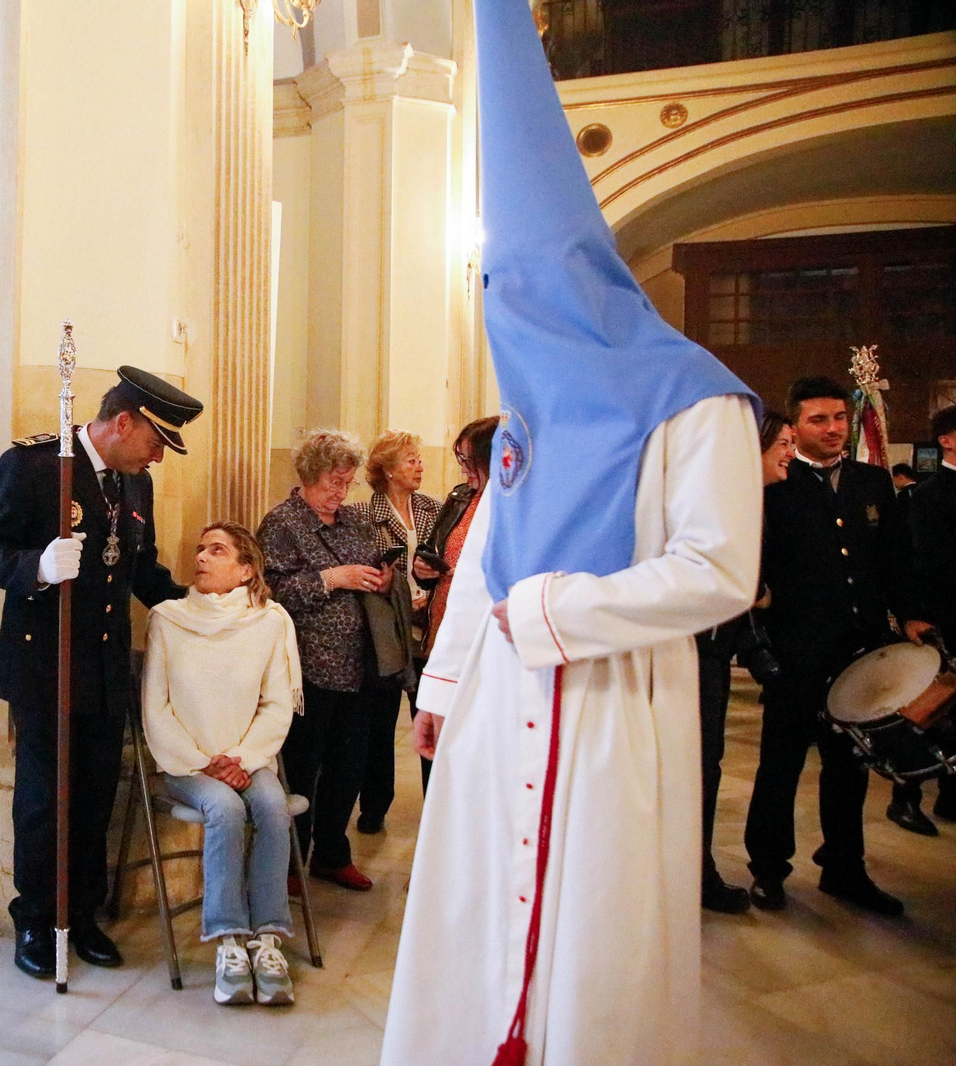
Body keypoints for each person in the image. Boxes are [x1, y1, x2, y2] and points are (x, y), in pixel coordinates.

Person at [383, 2, 762, 1061]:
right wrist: (445, 686)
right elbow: (482, 568)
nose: (505, 311)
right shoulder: (523, 420)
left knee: (591, 923)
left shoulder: (698, 400)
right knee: (472, 913)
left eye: (520, 287)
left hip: (614, 693)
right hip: (502, 689)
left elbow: (721, 569)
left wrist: (559, 611)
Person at [0, 367, 203, 979]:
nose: (158, 456)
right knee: (45, 802)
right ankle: (38, 919)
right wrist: (38, 566)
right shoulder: (34, 465)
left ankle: (85, 914)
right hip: (44, 664)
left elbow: (140, 570)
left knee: (97, 796)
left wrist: (197, 609)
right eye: (156, 442)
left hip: (103, 666)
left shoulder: (135, 485)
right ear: (123, 422)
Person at [743, 376, 930, 915]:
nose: (832, 430)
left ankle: (845, 869)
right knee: (780, 764)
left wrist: (913, 615)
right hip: (796, 654)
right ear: (794, 426)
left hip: (861, 652)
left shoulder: (873, 484)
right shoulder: (772, 483)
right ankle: (769, 869)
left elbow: (897, 558)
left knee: (849, 766)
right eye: (818, 420)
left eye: (839, 419)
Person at [143, 522, 301, 1006]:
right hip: (188, 766)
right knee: (226, 810)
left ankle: (267, 941)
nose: (202, 558)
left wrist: (245, 758)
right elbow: (156, 706)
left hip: (248, 760)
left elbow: (277, 704)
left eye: (217, 550)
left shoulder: (271, 622)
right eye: (199, 550)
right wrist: (201, 762)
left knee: (273, 809)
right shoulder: (168, 618)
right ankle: (230, 943)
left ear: (246, 568)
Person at [257, 429, 393, 893]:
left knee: (348, 765)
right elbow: (270, 592)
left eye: (347, 483)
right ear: (308, 476)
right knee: (302, 766)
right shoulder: (282, 523)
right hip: (309, 668)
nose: (340, 492)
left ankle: (332, 854)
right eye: (332, 482)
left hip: (360, 666)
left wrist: (383, 575)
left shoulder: (354, 521)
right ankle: (291, 860)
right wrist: (333, 577)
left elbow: (372, 566)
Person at [695, 409, 793, 914]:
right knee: (696, 767)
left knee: (706, 766)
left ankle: (697, 869)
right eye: (782, 443)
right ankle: (696, 875)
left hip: (715, 649)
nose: (789, 454)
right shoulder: (724, 502)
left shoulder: (758, 501)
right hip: (696, 650)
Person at [353, 431, 441, 833]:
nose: (419, 466)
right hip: (388, 629)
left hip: (427, 628)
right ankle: (374, 809)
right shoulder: (365, 515)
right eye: (410, 460)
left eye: (419, 459)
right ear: (388, 470)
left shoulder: (433, 509)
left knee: (429, 715)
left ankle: (436, 807)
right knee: (379, 723)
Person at [411, 416, 497, 792]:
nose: (463, 469)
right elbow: (434, 548)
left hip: (487, 635)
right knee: (436, 733)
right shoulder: (459, 497)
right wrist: (423, 569)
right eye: (459, 460)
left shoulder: (516, 504)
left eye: (469, 460)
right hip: (444, 620)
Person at [889, 405, 956, 832]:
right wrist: (918, 616)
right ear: (946, 439)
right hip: (943, 616)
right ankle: (905, 796)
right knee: (928, 712)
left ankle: (951, 796)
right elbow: (921, 561)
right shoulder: (928, 494)